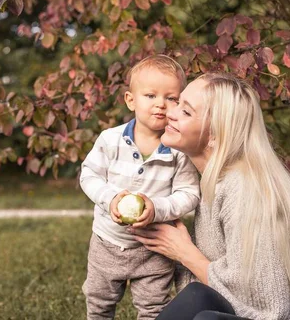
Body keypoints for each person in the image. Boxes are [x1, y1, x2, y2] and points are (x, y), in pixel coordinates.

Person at [129, 73, 290, 320]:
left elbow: (268, 306)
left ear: (214, 136)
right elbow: (208, 290)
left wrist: (184, 251)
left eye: (186, 112)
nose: (171, 112)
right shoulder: (214, 181)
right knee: (196, 297)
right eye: (178, 102)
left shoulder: (244, 187)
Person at [79, 55, 201, 320]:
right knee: (99, 304)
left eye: (171, 98)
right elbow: (89, 175)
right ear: (130, 100)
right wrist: (111, 199)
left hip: (153, 247)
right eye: (150, 95)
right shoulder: (110, 140)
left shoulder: (179, 150)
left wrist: (156, 208)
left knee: (154, 309)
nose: (161, 104)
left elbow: (189, 194)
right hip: (107, 242)